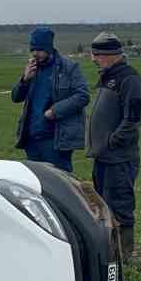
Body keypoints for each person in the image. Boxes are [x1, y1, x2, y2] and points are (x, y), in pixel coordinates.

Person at [86, 32, 141, 258]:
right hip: (103, 156)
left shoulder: (129, 80)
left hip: (118, 158)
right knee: (102, 206)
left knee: (120, 205)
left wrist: (114, 141)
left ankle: (122, 256)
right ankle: (107, 251)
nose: (93, 59)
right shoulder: (107, 77)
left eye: (97, 55)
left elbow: (133, 119)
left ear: (111, 55)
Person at [10, 26, 89, 173]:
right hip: (32, 140)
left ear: (49, 48)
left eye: (39, 50)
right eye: (33, 50)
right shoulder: (32, 69)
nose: (35, 54)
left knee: (59, 182)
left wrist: (55, 111)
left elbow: (82, 95)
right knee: (36, 182)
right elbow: (15, 97)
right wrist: (24, 80)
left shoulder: (68, 68)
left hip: (56, 141)